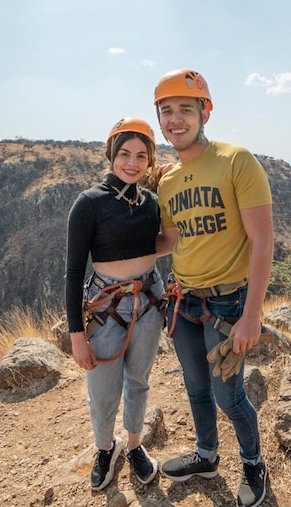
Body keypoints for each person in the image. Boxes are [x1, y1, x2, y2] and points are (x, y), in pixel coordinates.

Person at [154, 69, 274, 507]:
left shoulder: (236, 160)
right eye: (166, 111)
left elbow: (262, 241)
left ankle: (253, 463)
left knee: (229, 394)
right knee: (196, 386)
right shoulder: (166, 180)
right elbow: (170, 239)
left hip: (229, 302)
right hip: (184, 301)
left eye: (185, 109)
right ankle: (206, 456)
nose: (175, 119)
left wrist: (252, 315)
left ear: (205, 112)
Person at [65, 117, 165, 491]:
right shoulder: (89, 203)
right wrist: (77, 337)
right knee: (103, 389)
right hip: (107, 308)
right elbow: (74, 273)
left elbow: (154, 245)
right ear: (111, 154)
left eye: (141, 156)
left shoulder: (150, 202)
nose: (132, 163)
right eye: (124, 153)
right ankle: (106, 448)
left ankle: (135, 446)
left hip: (149, 303)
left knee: (138, 381)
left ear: (150, 160)